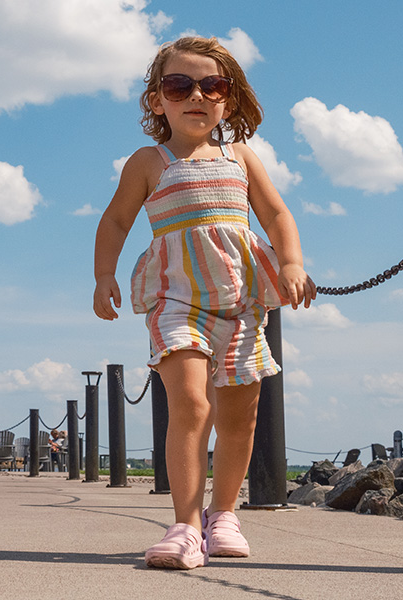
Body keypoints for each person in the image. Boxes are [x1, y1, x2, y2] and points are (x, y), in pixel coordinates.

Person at [93, 36, 315, 570]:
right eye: (179, 84)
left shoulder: (240, 157)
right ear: (157, 100)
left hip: (240, 304)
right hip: (176, 302)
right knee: (191, 404)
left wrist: (290, 263)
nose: (197, 95)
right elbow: (116, 220)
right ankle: (185, 527)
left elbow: (277, 215)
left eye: (212, 85)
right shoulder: (149, 161)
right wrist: (104, 275)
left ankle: (224, 516)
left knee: (240, 418)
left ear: (228, 99)